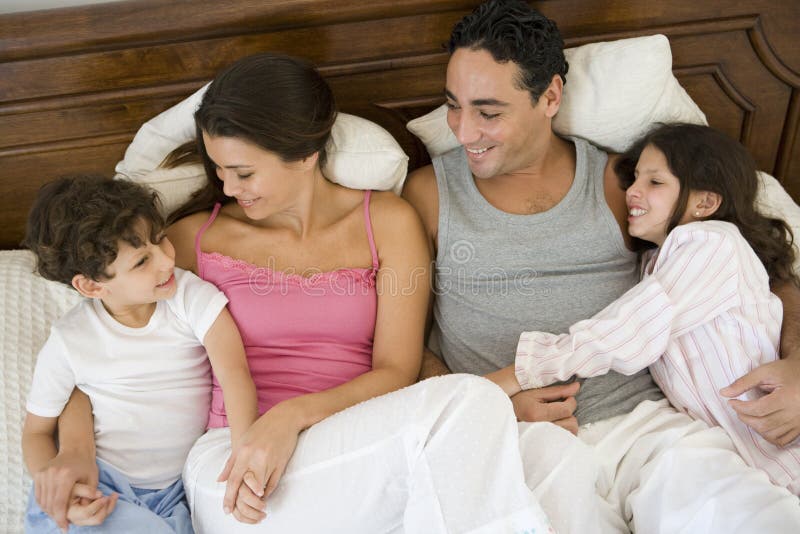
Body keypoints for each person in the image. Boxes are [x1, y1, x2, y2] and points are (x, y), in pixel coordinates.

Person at [43, 53, 555, 534]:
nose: (229, 187)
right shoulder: (187, 242)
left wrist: (290, 417)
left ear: (306, 153)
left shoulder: (389, 223)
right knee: (473, 405)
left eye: (244, 172)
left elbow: (396, 371)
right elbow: (96, 352)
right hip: (232, 465)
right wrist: (74, 452)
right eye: (219, 170)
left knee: (493, 427)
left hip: (359, 440)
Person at [402, 1, 800, 532]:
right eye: (454, 105)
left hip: (649, 428)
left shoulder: (624, 183)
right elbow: (405, 345)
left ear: (549, 97)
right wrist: (491, 409)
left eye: (488, 112)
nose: (464, 131)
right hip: (519, 438)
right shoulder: (429, 193)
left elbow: (760, 275)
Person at [500, 123, 800, 493]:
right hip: (756, 463)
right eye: (635, 179)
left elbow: (630, 327)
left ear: (704, 203)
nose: (633, 192)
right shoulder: (656, 262)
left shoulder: (712, 244)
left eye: (655, 183)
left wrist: (522, 372)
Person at [21, 175, 259, 533]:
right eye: (141, 261)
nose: (166, 260)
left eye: (160, 238)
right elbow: (36, 432)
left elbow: (236, 376)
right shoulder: (69, 341)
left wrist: (244, 459)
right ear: (92, 285)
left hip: (178, 493)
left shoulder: (189, 297)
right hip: (102, 486)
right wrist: (58, 490)